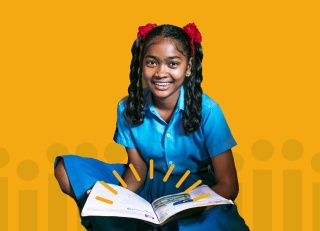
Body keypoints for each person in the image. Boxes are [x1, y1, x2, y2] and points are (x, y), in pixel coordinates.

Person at [54, 23, 249, 231]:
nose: (160, 72)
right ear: (141, 64)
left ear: (189, 67)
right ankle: (124, 219)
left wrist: (190, 206)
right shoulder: (126, 107)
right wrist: (117, 199)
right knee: (68, 170)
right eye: (151, 62)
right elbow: (138, 170)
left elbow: (228, 185)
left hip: (195, 191)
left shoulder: (209, 111)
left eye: (173, 64)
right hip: (149, 182)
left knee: (208, 225)